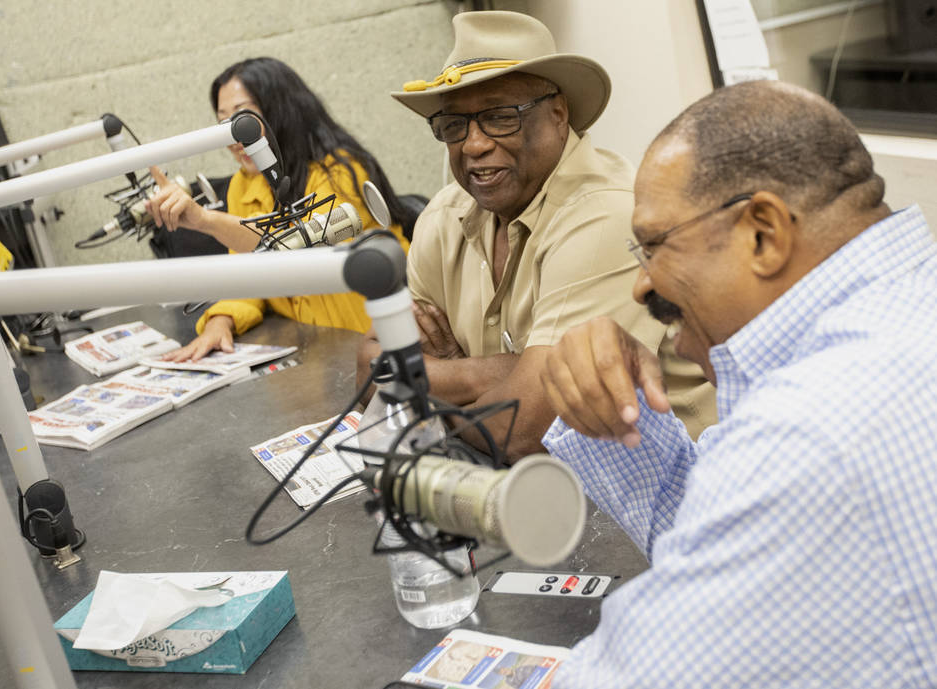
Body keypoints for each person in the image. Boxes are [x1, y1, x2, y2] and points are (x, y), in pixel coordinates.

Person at [541, 79, 937, 686]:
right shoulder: (900, 311)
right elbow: (719, 553)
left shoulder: (809, 430)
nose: (641, 286)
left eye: (654, 246)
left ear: (764, 235)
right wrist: (620, 411)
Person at [357, 11, 714, 461]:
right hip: (526, 487)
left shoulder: (605, 213)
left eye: (499, 117)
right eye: (453, 125)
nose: (472, 145)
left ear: (559, 114)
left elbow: (525, 431)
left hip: (658, 494)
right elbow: (370, 364)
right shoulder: (444, 216)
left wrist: (430, 383)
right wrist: (495, 376)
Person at [149, 57, 412, 362]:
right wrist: (219, 322)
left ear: (281, 111)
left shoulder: (340, 172)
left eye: (242, 117)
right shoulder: (243, 186)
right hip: (313, 353)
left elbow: (295, 255)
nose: (233, 136)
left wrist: (205, 220)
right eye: (223, 121)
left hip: (369, 345)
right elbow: (250, 277)